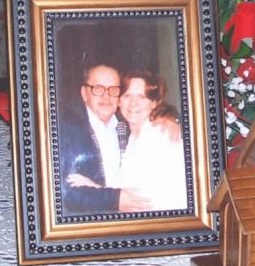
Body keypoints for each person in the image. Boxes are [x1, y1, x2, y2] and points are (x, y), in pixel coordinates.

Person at [59, 64, 179, 216]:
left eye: (113, 89)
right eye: (98, 88)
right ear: (84, 93)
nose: (106, 96)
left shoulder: (147, 129)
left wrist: (172, 117)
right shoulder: (67, 128)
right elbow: (63, 193)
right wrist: (113, 199)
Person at [110, 69, 187, 211]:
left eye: (142, 97)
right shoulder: (132, 137)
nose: (133, 104)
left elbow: (139, 198)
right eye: (127, 96)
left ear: (154, 103)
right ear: (119, 101)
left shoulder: (161, 134)